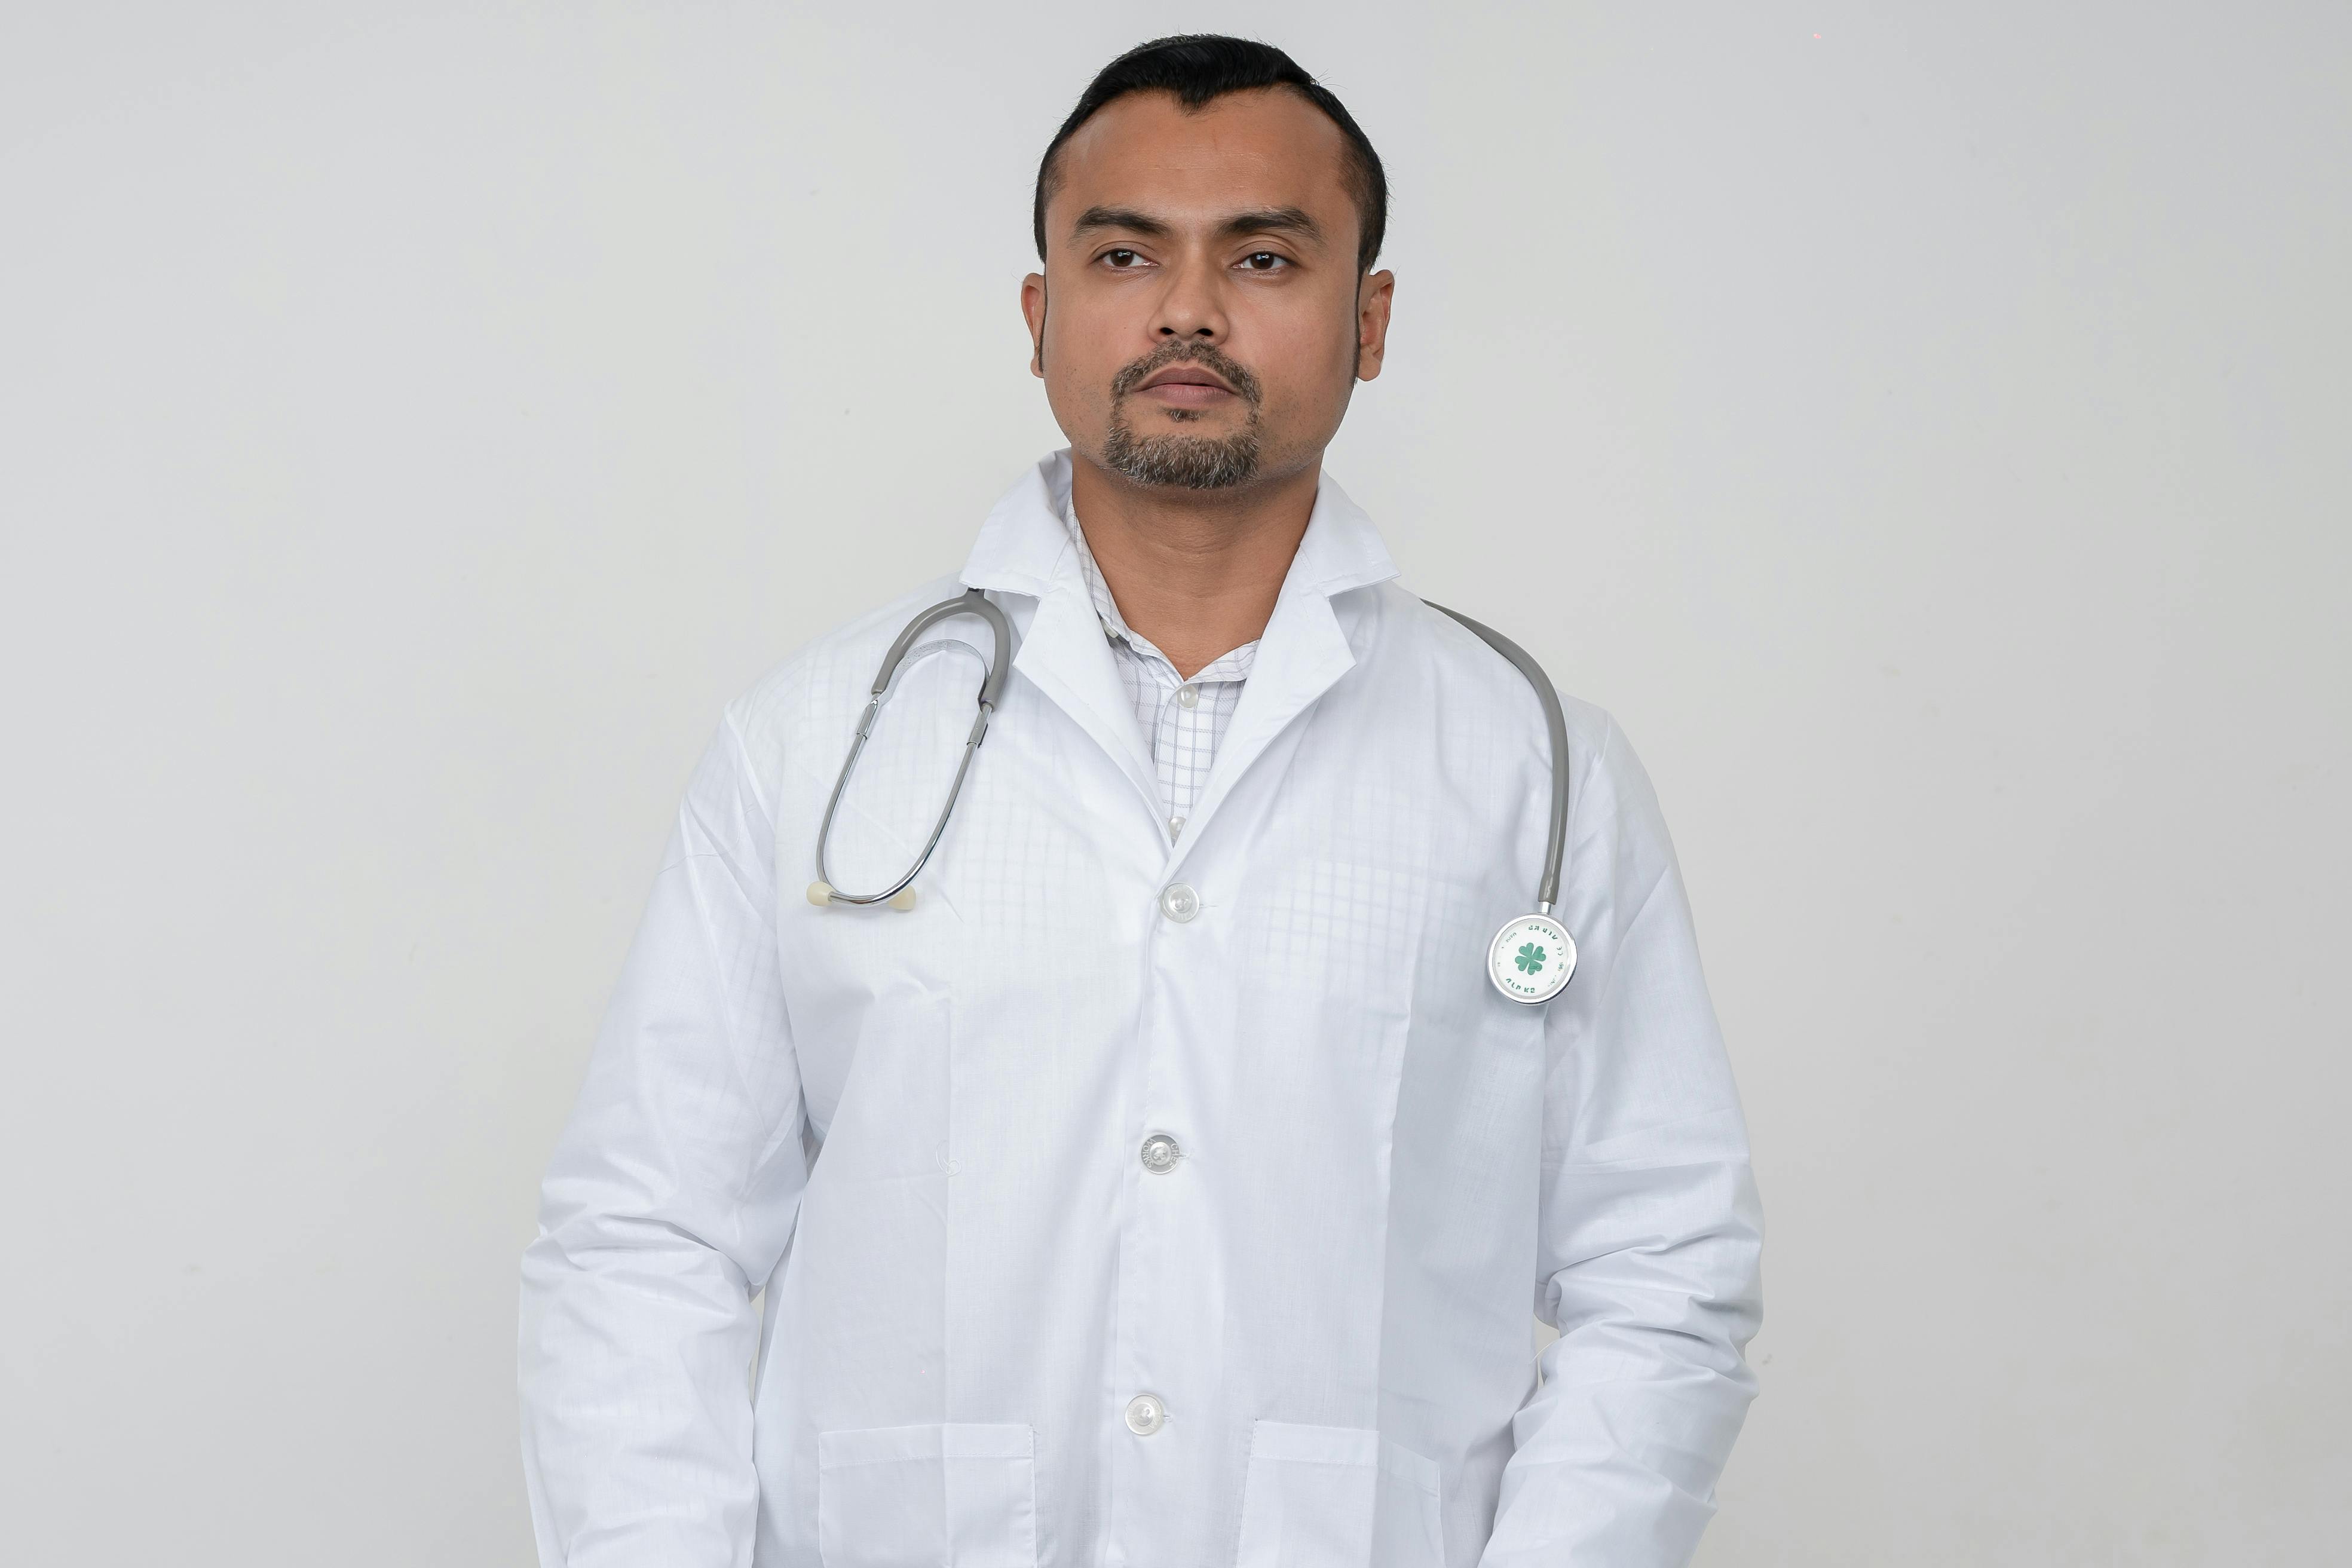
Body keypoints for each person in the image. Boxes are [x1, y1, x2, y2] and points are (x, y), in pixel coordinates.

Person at [519, 33, 1762, 1568]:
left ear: (1368, 321)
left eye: (1263, 254)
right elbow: (646, 1241)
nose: (1188, 308)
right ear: (1041, 315)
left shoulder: (1532, 769)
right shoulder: (812, 740)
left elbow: (1663, 1266)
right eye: (1125, 253)